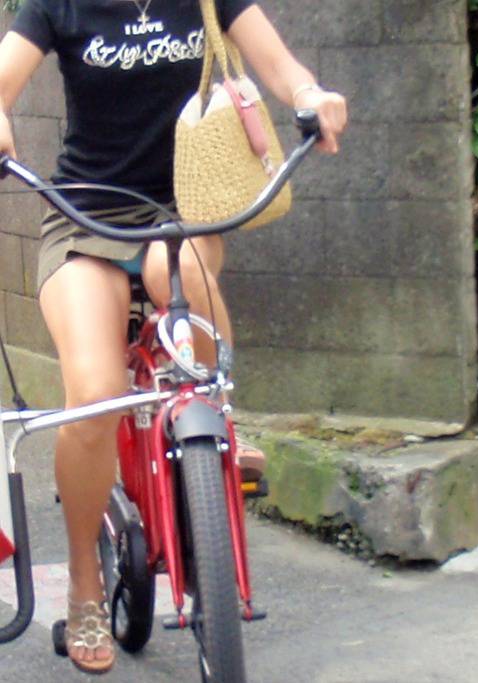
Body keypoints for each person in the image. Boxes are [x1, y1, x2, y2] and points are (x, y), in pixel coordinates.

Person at [0, 0, 347, 673]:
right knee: (95, 394)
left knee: (176, 276)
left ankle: (218, 417)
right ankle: (84, 582)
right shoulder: (58, 4)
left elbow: (283, 69)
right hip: (83, 215)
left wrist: (311, 96)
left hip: (183, 208)